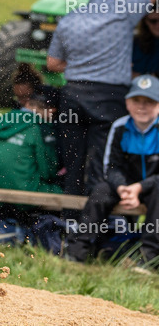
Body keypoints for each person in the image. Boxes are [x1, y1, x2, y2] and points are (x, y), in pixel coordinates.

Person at [47, 0, 159, 196]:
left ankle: (71, 227)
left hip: (72, 94)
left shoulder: (70, 17)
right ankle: (98, 230)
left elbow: (52, 64)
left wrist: (80, 66)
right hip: (108, 98)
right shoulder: (124, 11)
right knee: (103, 165)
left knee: (72, 165)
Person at [64, 74, 159, 270]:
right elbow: (111, 167)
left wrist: (139, 188)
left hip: (152, 187)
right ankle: (77, 252)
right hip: (125, 186)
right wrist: (123, 188)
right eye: (137, 101)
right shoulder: (120, 127)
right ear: (127, 103)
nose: (142, 106)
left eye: (149, 102)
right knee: (100, 192)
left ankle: (148, 258)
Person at [0, 64, 61, 195]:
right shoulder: (39, 128)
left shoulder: (2, 122)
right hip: (26, 194)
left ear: (33, 98)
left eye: (25, 97)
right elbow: (48, 171)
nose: (22, 103)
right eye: (19, 98)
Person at [133, 5, 159, 78]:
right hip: (139, 86)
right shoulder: (135, 44)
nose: (158, 25)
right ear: (145, 21)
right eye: (153, 21)